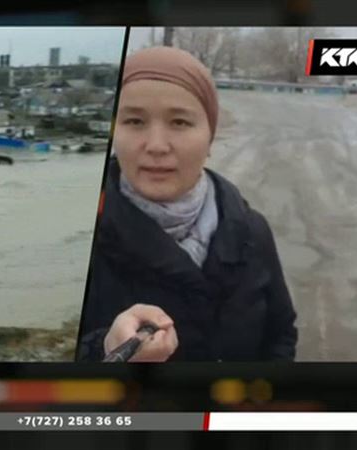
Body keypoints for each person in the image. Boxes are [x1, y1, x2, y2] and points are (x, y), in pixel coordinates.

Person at [76, 47, 298, 362]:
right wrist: (105, 350)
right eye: (135, 121)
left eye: (179, 122)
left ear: (210, 137)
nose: (155, 146)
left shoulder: (251, 230)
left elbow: (280, 335)